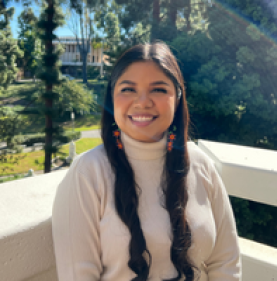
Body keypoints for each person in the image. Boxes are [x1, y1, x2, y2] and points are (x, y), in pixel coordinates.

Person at [52, 42, 241, 281]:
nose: (142, 102)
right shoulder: (88, 172)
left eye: (159, 90)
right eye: (128, 89)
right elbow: (78, 275)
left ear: (178, 98)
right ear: (112, 98)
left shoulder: (201, 165)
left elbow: (226, 261)